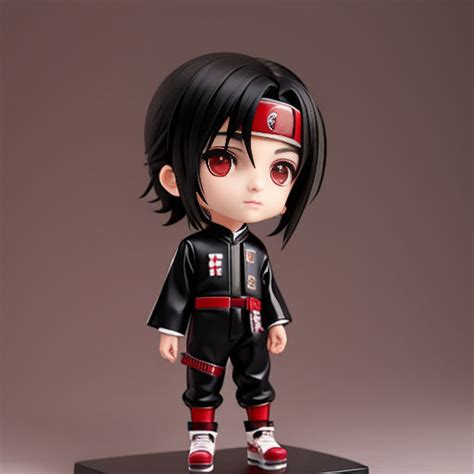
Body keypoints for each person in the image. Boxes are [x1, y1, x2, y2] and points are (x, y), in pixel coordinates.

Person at [140, 52, 326, 472]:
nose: (257, 184)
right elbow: (176, 292)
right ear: (174, 178)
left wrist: (277, 322)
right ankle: (202, 438)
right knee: (203, 380)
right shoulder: (194, 248)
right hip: (207, 322)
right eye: (223, 160)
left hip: (252, 323)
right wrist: (170, 330)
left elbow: (269, 289)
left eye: (280, 169)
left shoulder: (257, 251)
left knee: (256, 378)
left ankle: (260, 436)